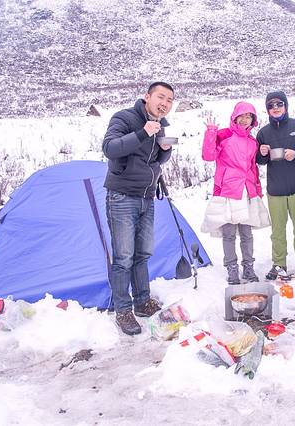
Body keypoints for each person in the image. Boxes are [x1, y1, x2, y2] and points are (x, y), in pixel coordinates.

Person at [102, 81, 175, 335]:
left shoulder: (161, 125)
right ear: (147, 97)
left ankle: (142, 301)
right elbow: (110, 148)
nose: (164, 103)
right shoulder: (124, 118)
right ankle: (123, 310)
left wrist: (164, 150)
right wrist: (143, 132)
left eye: (169, 100)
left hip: (146, 197)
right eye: (161, 97)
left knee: (142, 254)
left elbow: (155, 160)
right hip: (122, 197)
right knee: (123, 257)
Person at [200, 102, 271, 284]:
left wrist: (257, 190)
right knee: (229, 234)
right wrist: (211, 132)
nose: (245, 120)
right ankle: (232, 268)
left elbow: (253, 168)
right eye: (242, 116)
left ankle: (248, 267)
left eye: (249, 117)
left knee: (247, 234)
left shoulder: (252, 141)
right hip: (227, 191)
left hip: (247, 191)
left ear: (253, 120)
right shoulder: (223, 135)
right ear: (235, 117)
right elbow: (208, 156)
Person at [257, 91, 295, 280]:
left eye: (279, 104)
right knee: (277, 231)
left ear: (286, 105)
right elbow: (260, 161)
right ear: (267, 110)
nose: (275, 108)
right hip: (276, 190)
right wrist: (262, 153)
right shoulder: (264, 133)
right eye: (271, 105)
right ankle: (279, 263)